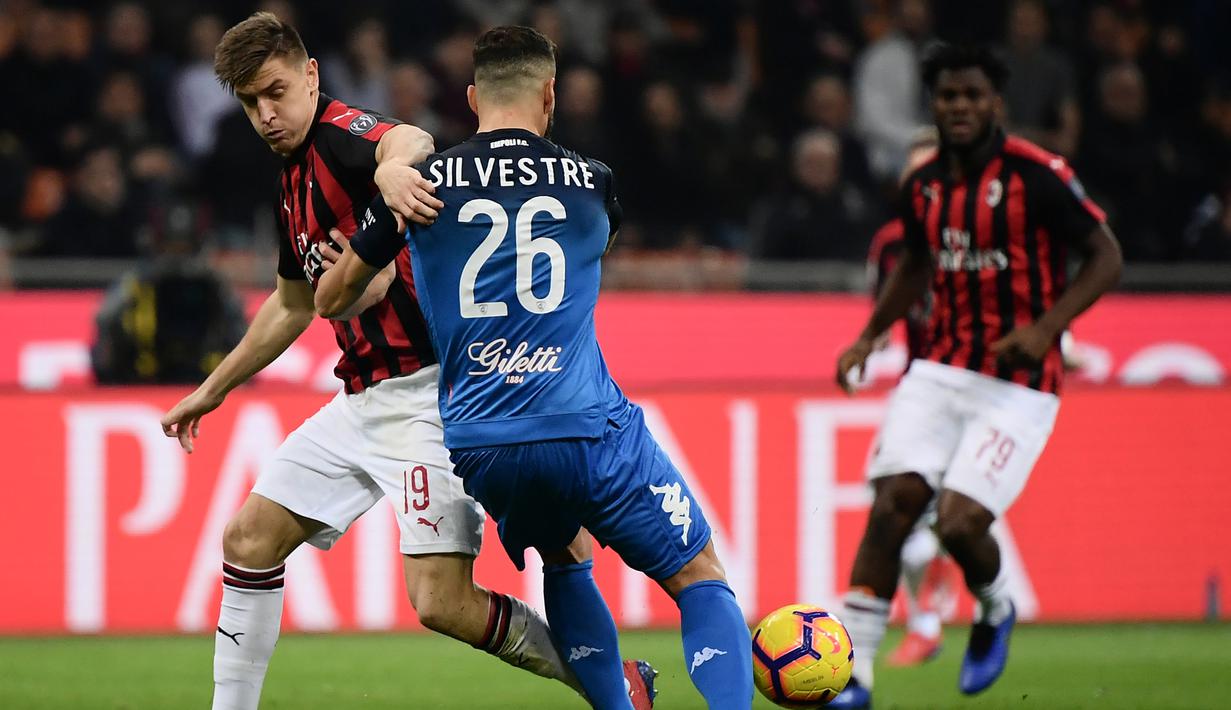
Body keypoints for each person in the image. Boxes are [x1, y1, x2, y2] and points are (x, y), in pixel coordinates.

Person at [159, 14, 651, 710]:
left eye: (274, 91)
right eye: (248, 102)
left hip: (428, 394)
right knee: (248, 539)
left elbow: (407, 139)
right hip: (360, 400)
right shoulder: (290, 180)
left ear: (310, 76)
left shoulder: (342, 137)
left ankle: (611, 685)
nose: (265, 114)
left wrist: (393, 174)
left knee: (441, 603)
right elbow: (291, 305)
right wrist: (211, 389)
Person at [317, 26, 753, 710]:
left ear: (470, 98)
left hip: (483, 445)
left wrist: (383, 203)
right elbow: (596, 238)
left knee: (565, 553)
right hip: (583, 426)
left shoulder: (418, 186)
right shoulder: (592, 182)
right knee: (698, 574)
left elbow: (333, 298)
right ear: (549, 95)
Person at [830, 44, 1122, 708]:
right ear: (932, 104)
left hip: (1018, 384)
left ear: (995, 103)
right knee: (891, 507)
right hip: (937, 371)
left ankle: (993, 608)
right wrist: (868, 335)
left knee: (959, 525)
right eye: (946, 97)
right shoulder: (924, 184)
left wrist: (1046, 329)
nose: (959, 107)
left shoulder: (1036, 175)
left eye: (971, 96)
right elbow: (914, 265)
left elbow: (1105, 256)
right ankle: (856, 674)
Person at [863, 127, 951, 668]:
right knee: (896, 504)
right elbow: (884, 311)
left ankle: (937, 618)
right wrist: (864, 349)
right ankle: (926, 621)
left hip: (981, 389)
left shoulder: (987, 234)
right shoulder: (892, 242)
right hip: (920, 391)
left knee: (937, 518)